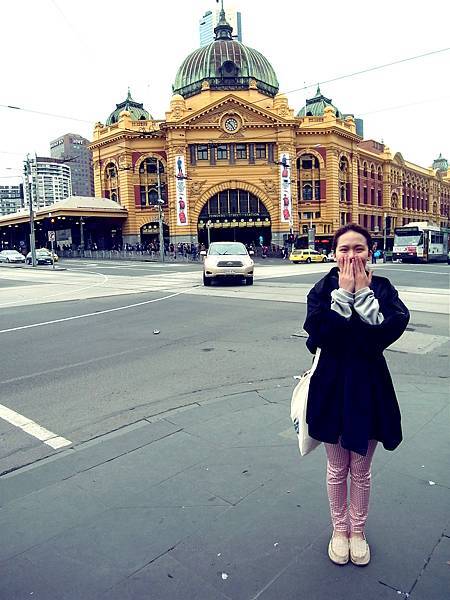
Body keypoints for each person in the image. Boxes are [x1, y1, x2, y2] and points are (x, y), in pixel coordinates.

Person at [303, 223, 409, 567]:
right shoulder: (322, 289)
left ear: (370, 251)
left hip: (369, 388)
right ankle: (339, 530)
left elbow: (381, 336)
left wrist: (363, 297)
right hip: (332, 387)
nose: (351, 256)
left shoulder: (382, 288)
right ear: (334, 254)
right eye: (344, 249)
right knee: (337, 469)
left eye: (358, 248)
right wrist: (342, 296)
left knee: (361, 470)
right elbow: (318, 337)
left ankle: (358, 532)